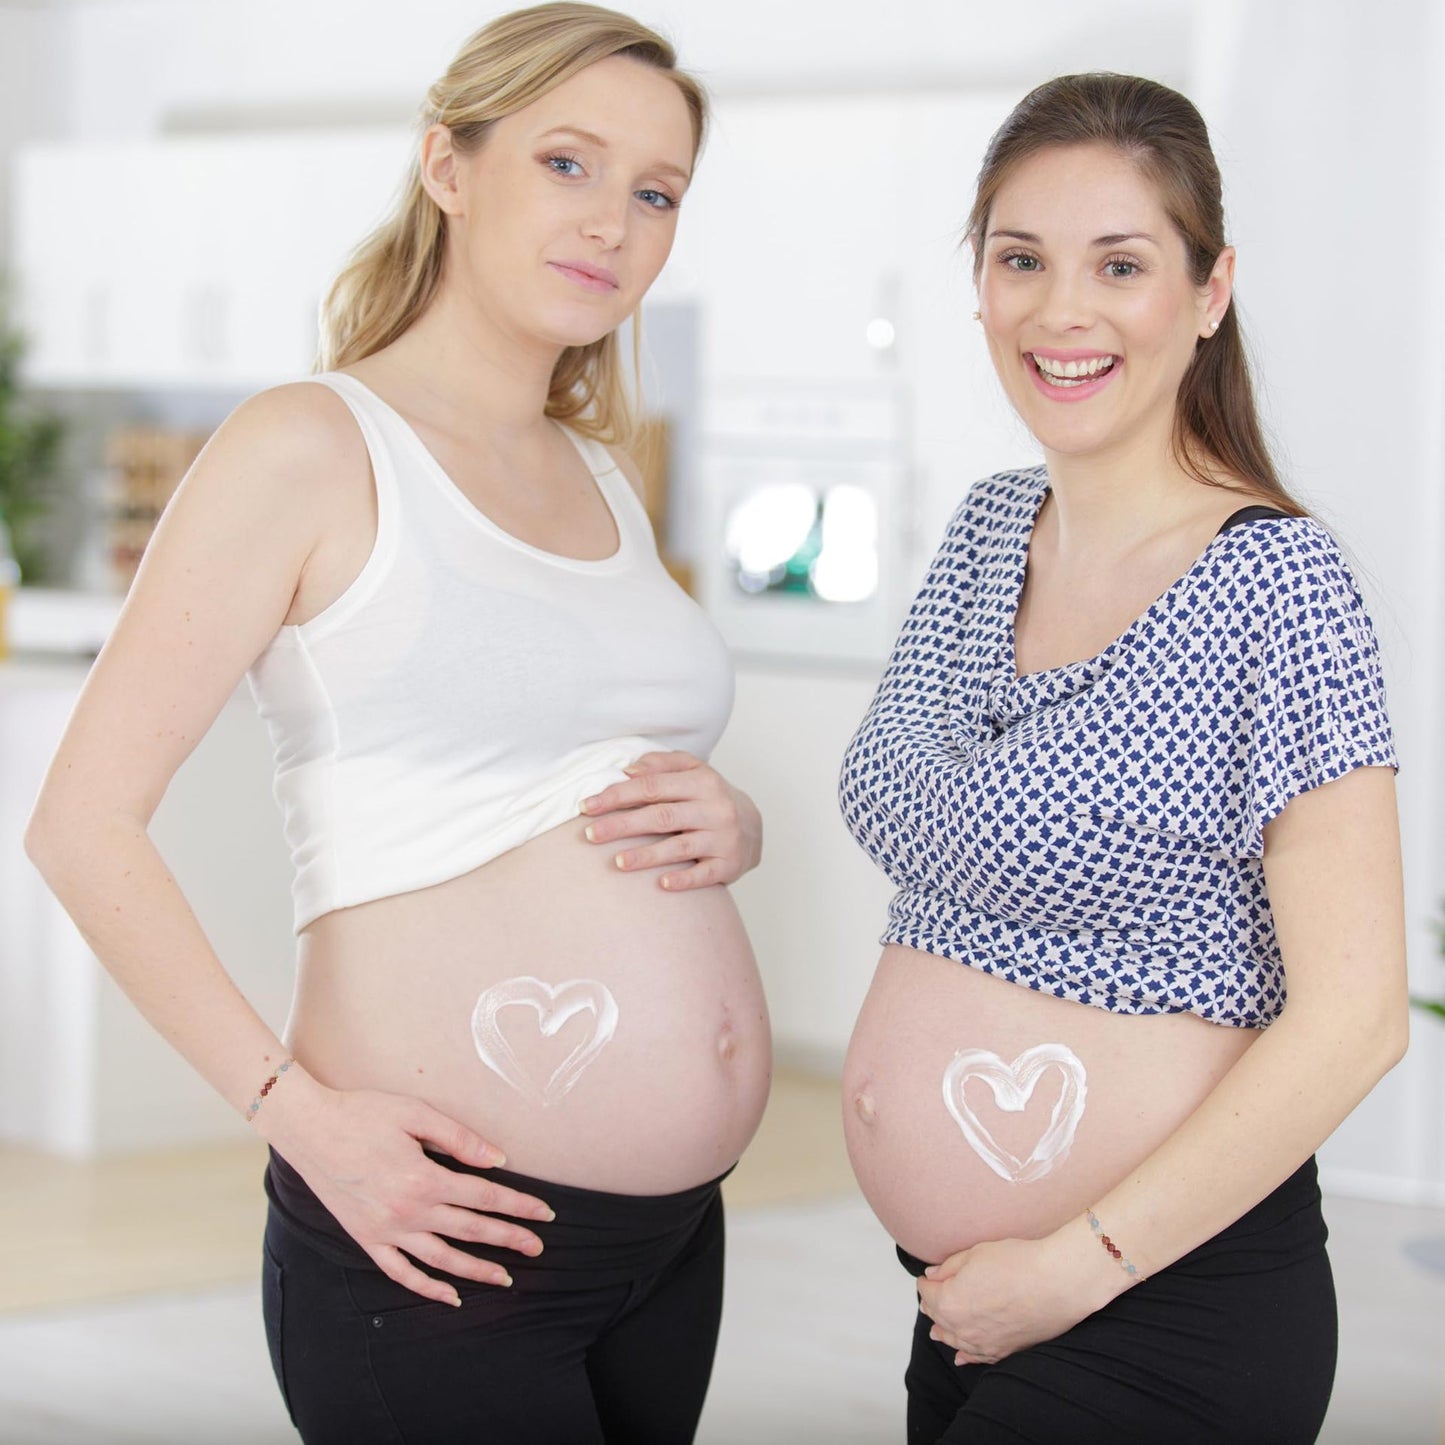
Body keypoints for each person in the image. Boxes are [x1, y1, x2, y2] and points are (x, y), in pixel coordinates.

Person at [24, 6, 772, 1443]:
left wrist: (731, 818)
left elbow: (559, 756)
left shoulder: (601, 476)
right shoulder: (306, 445)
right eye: (567, 162)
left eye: (657, 191)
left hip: (670, 1237)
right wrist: (294, 1113)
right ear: (448, 164)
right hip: (433, 1235)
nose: (613, 221)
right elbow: (80, 821)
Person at [837, 72, 1407, 1445]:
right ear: (975, 282)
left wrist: (1073, 1264)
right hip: (967, 1307)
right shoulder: (985, 530)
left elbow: (1356, 1016)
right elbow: (941, 818)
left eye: (1119, 263)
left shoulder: (1278, 584)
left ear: (1207, 292)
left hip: (1158, 1304)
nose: (1060, 309)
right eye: (1019, 259)